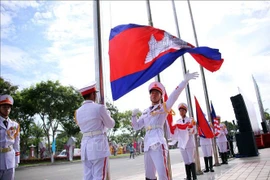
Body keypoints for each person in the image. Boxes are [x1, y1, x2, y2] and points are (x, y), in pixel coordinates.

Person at [131, 71, 199, 180]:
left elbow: (174, 96)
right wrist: (133, 116)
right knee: (149, 176)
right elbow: (136, 126)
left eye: (156, 93)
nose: (154, 95)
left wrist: (184, 81)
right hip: (147, 144)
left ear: (161, 96)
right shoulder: (145, 112)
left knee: (163, 174)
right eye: (152, 92)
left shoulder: (163, 107)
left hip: (158, 143)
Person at [75, 82, 115, 180]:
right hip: (98, 146)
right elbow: (111, 124)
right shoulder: (99, 108)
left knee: (87, 176)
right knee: (99, 176)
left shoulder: (77, 112)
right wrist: (108, 114)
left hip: (85, 146)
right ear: (93, 95)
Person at [170, 103, 197, 180]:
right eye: (180, 111)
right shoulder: (178, 121)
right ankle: (188, 177)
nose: (181, 112)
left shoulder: (191, 120)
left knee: (191, 160)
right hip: (182, 144)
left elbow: (194, 131)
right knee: (186, 161)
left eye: (182, 110)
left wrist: (188, 130)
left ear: (185, 111)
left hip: (189, 143)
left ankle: (194, 177)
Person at [0, 94, 20, 180]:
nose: (7, 109)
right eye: (4, 107)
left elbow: (16, 143)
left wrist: (17, 159)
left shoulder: (15, 125)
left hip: (10, 158)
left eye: (9, 107)